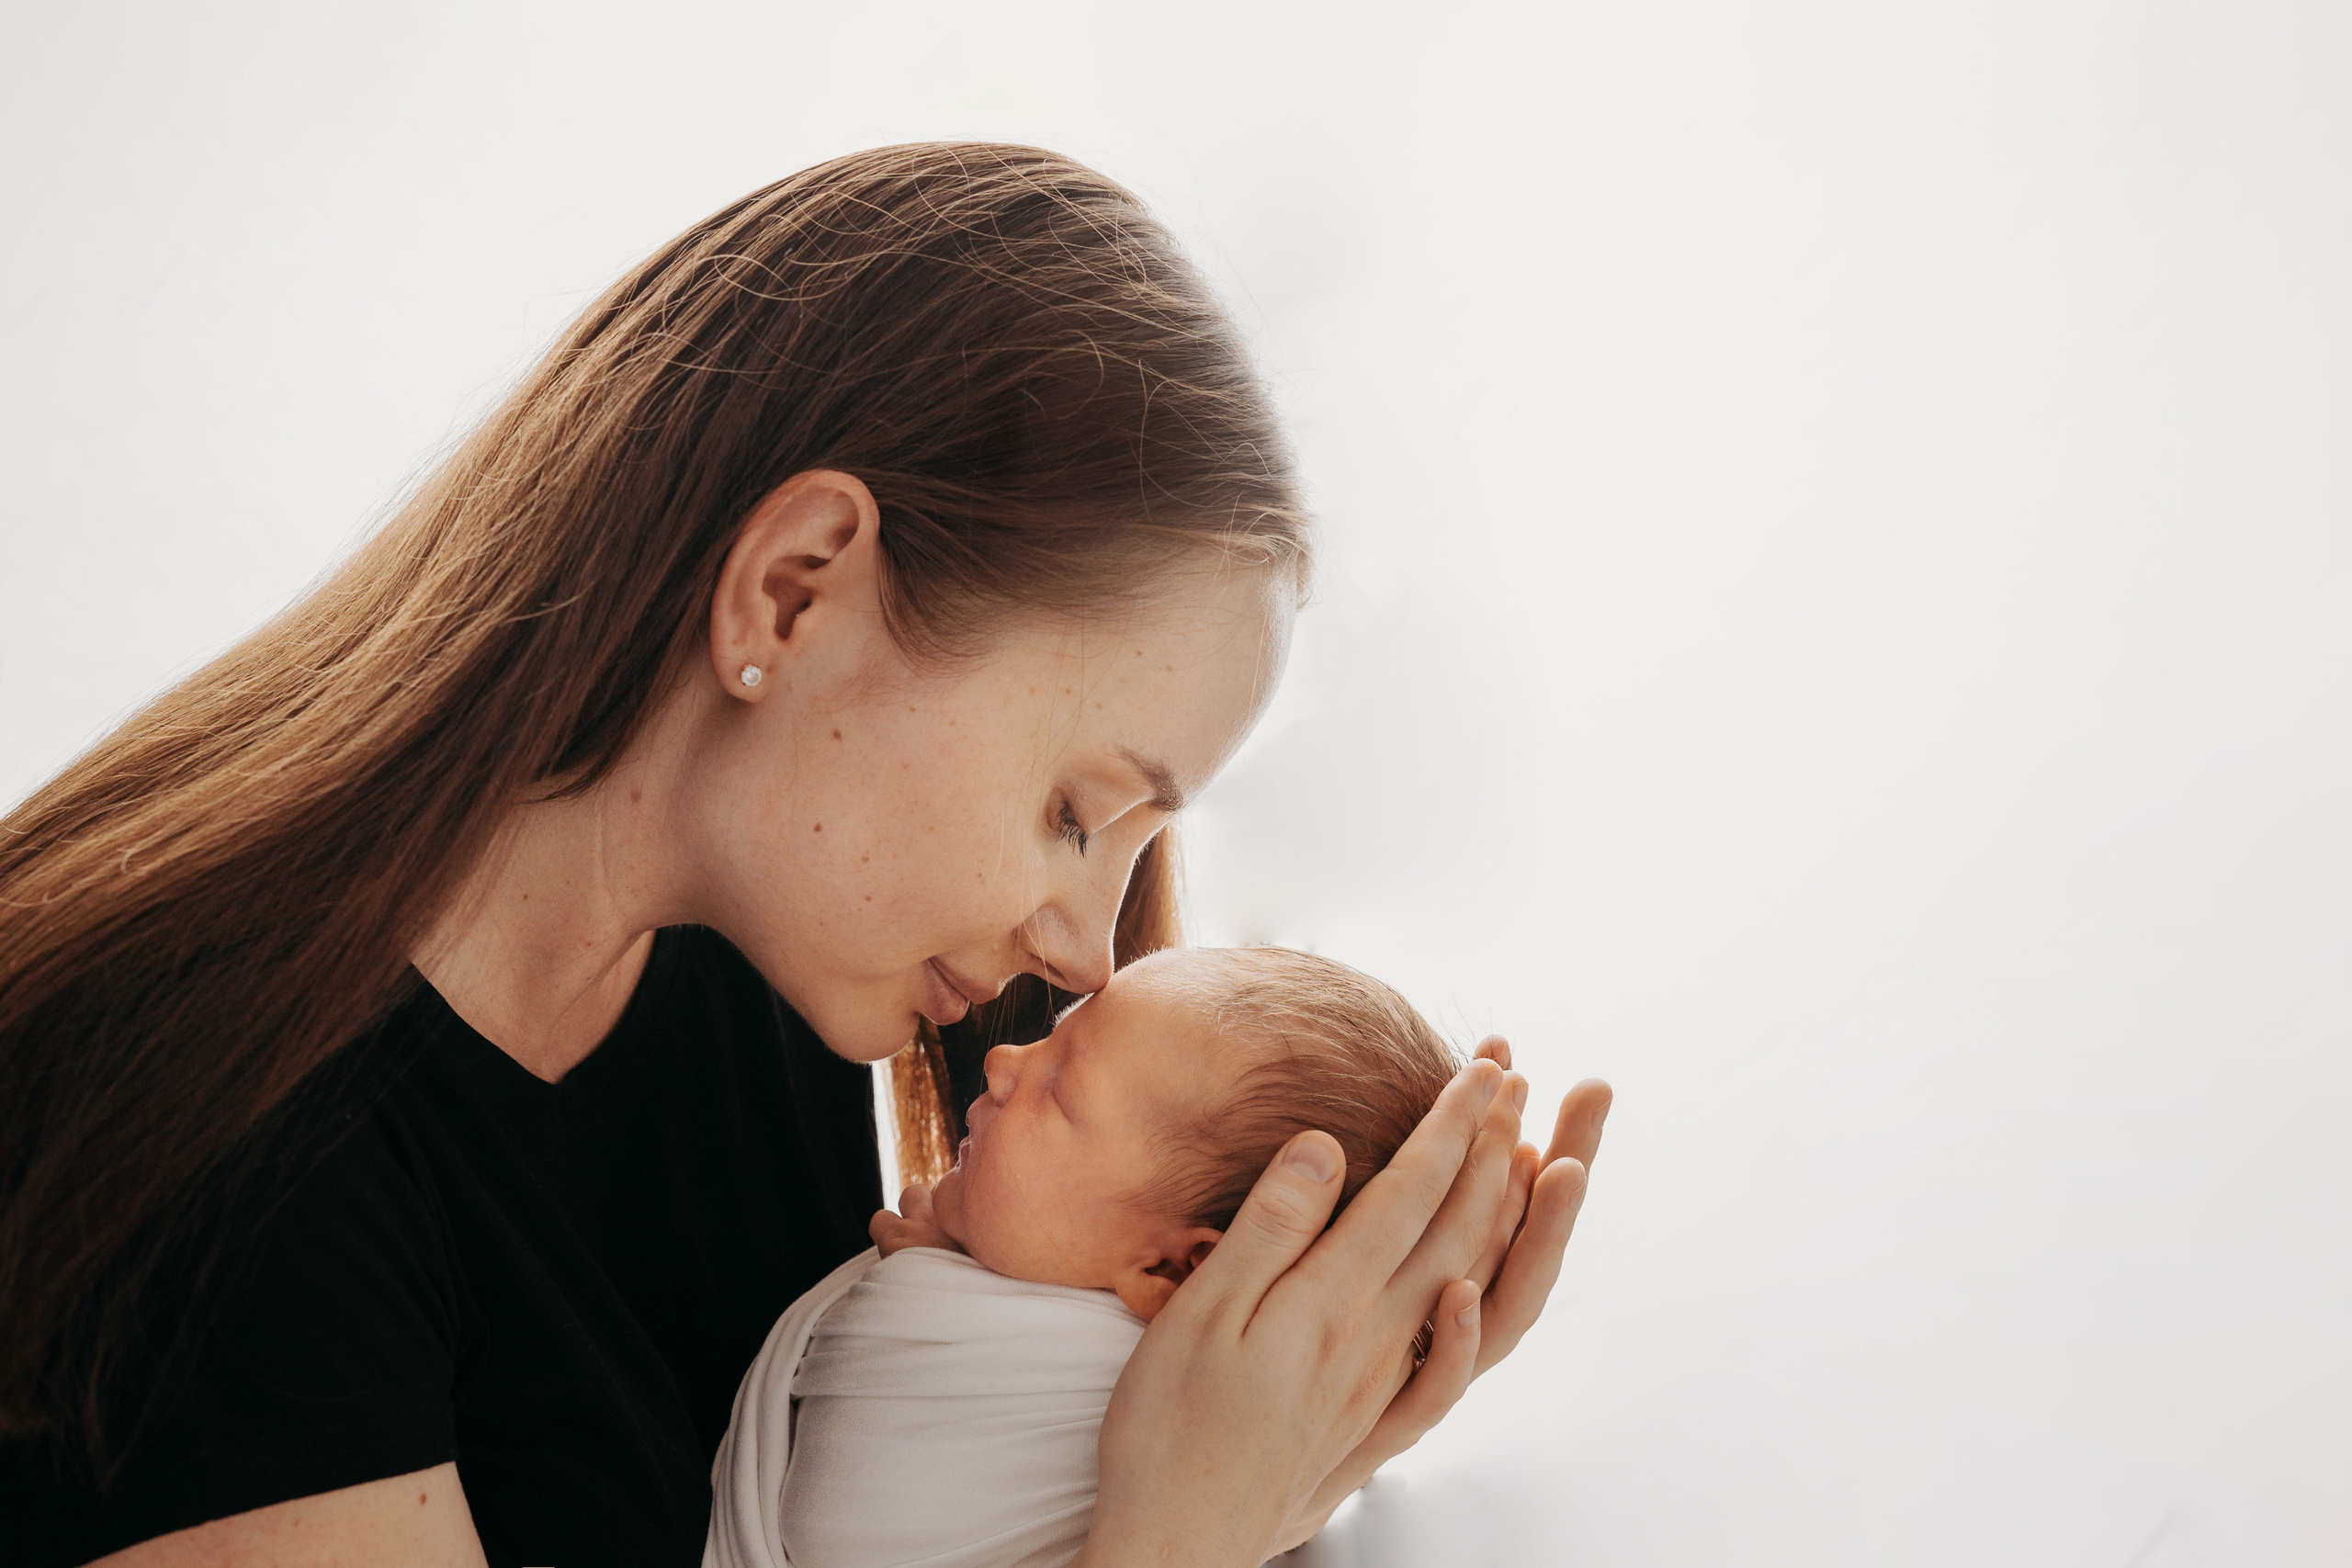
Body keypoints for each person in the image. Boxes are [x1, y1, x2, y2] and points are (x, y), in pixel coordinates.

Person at [0, 143, 1611, 1568]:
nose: (1085, 950)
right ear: (794, 589)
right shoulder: (228, 1164)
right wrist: (1178, 1533)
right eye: (1076, 812)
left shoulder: (757, 987)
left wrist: (1314, 1409)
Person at [710, 944, 1521, 1568]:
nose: (1002, 1060)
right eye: (1050, 1038)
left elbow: (842, 1523)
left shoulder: (1130, 1389)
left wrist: (919, 1280)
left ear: (1176, 1271)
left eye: (1060, 1090)